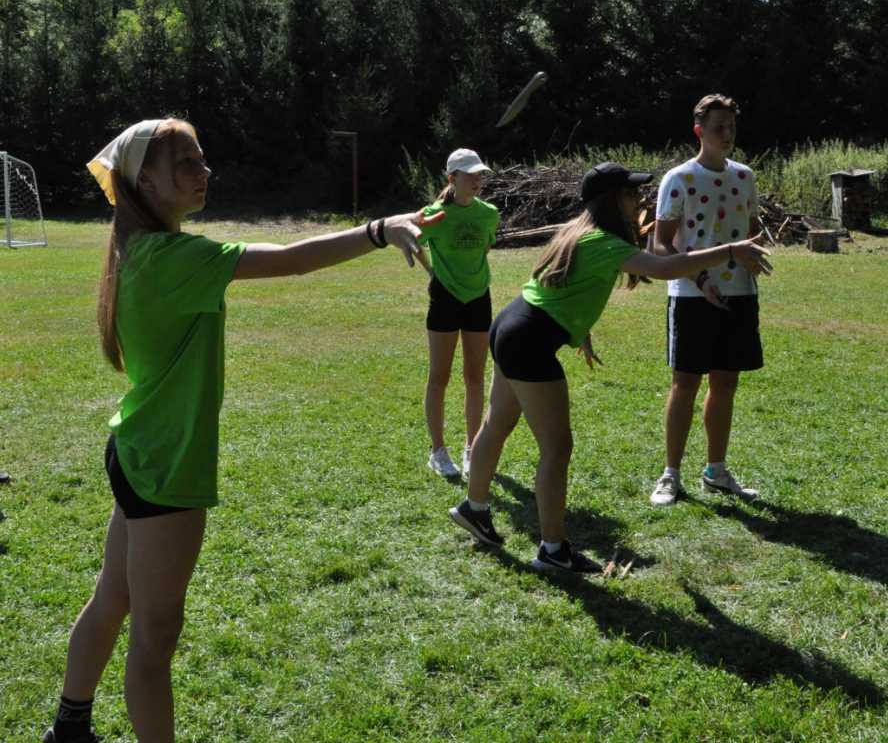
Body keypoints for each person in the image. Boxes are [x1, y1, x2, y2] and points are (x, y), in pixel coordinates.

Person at [44, 118, 441, 743]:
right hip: (165, 464)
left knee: (113, 600)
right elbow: (289, 258)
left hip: (137, 447)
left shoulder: (141, 249)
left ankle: (69, 726)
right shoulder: (175, 258)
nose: (203, 173)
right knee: (154, 639)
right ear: (143, 179)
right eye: (186, 164)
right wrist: (376, 230)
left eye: (202, 160)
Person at [448, 162, 771, 573]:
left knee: (498, 423)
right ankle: (553, 550)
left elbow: (559, 282)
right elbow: (665, 267)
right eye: (631, 193)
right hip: (528, 340)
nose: (639, 199)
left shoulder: (578, 231)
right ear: (612, 199)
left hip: (512, 324)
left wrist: (578, 330)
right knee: (556, 446)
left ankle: (475, 508)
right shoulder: (604, 242)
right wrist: (729, 250)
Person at [649, 94, 767, 507]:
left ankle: (716, 471)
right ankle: (671, 474)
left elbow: (751, 233)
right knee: (685, 383)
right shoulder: (678, 179)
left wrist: (755, 254)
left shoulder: (745, 177)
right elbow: (660, 246)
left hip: (739, 293)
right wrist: (699, 279)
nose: (727, 133)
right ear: (698, 130)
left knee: (726, 383)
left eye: (732, 126)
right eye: (718, 126)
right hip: (690, 295)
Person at [417, 149, 499, 478]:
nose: (477, 180)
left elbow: (485, 247)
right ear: (452, 178)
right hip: (445, 299)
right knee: (440, 376)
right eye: (470, 174)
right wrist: (432, 272)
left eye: (480, 174)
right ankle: (438, 452)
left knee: (475, 377)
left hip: (479, 298)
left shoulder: (489, 213)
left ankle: (471, 448)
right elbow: (412, 240)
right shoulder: (434, 214)